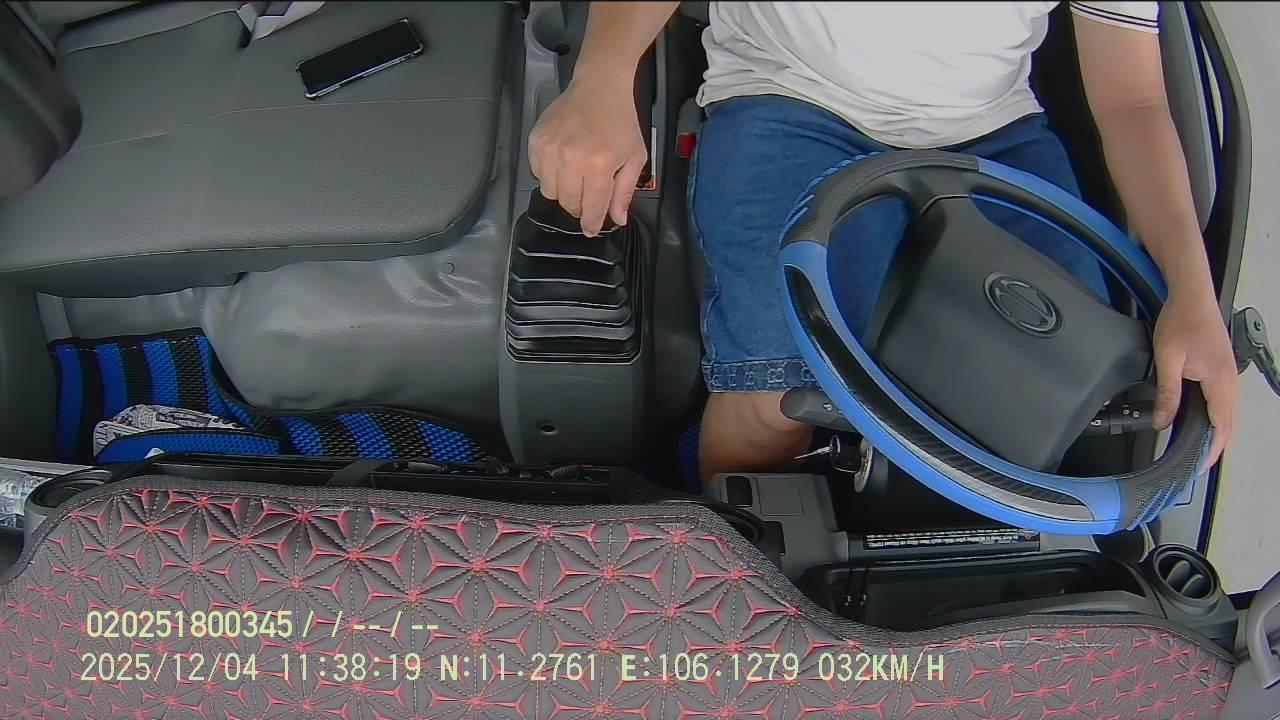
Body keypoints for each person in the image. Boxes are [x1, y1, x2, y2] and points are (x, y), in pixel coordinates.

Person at [528, 2, 1238, 481]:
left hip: (995, 131)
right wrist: (601, 81)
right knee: (781, 394)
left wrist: (1192, 290)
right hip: (790, 98)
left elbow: (1133, 100)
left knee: (1060, 393)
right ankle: (736, 561)